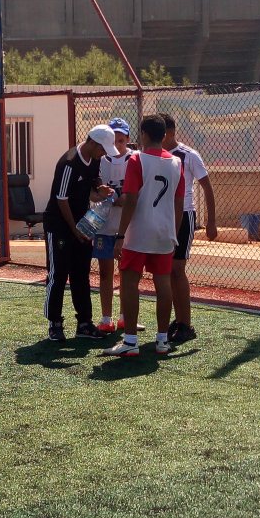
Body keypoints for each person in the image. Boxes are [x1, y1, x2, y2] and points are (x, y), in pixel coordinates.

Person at [102, 115, 184, 357]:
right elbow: (179, 203)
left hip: (139, 231)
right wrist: (173, 232)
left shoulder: (137, 159)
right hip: (164, 232)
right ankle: (162, 340)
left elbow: (131, 200)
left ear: (144, 135)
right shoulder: (176, 162)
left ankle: (130, 341)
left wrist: (120, 236)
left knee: (129, 281)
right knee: (163, 283)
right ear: (164, 135)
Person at [43, 124, 117, 341]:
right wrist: (74, 229)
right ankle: (55, 323)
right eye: (102, 149)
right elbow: (61, 199)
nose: (103, 154)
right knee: (58, 274)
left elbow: (92, 188)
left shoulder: (95, 160)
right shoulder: (69, 162)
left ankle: (84, 323)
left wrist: (100, 190)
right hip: (59, 226)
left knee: (81, 273)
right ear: (92, 142)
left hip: (82, 225)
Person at [160, 112, 217, 346]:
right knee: (167, 270)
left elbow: (207, 187)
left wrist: (211, 221)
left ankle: (186, 325)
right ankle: (179, 319)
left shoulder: (189, 155)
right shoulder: (154, 154)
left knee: (177, 269)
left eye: (161, 132)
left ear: (170, 133)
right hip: (163, 216)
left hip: (184, 215)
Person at [94, 117, 144, 334]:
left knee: (128, 272)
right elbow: (93, 190)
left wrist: (127, 198)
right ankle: (106, 318)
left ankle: (125, 317)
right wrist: (104, 195)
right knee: (105, 272)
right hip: (104, 224)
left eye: (121, 140)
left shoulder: (136, 159)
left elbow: (142, 188)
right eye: (113, 140)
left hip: (128, 225)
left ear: (128, 139)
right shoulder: (99, 160)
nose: (117, 145)